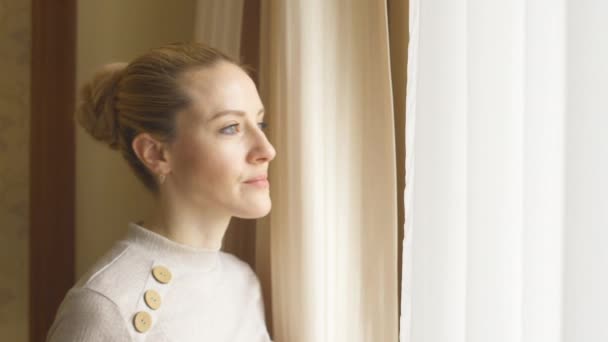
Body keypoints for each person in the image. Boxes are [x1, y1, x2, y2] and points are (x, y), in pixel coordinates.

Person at [46, 42, 276, 341]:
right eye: (231, 127)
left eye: (260, 123)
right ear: (155, 154)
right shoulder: (106, 306)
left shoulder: (242, 282)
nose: (267, 150)